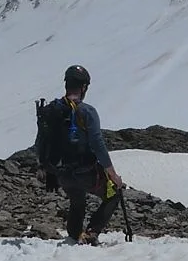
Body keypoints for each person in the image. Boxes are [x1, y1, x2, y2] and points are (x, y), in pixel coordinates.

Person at [37, 65, 125, 246]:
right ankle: (91, 233)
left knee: (77, 202)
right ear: (84, 87)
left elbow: (40, 141)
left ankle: (74, 236)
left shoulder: (52, 110)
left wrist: (45, 168)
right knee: (113, 194)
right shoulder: (86, 112)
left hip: (60, 173)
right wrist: (113, 175)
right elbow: (98, 144)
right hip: (85, 171)